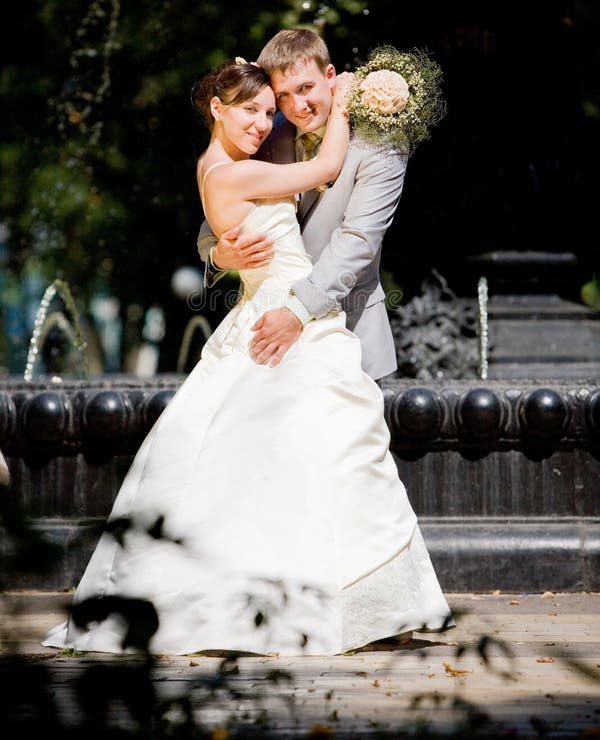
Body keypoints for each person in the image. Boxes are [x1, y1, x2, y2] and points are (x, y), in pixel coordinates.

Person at [42, 59, 453, 657]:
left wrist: (229, 249)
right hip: (278, 316)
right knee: (303, 453)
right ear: (217, 108)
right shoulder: (247, 162)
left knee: (299, 456)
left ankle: (346, 602)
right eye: (255, 108)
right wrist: (343, 102)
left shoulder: (248, 157)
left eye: (272, 107)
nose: (268, 120)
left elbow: (347, 238)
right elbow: (319, 172)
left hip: (301, 313)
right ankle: (287, 605)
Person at [197, 28, 406, 381]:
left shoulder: (380, 147)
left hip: (348, 333)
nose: (296, 106)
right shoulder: (265, 134)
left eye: (305, 88)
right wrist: (218, 256)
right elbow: (218, 212)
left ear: (330, 77)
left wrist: (297, 312)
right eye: (283, 96)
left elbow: (358, 242)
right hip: (265, 334)